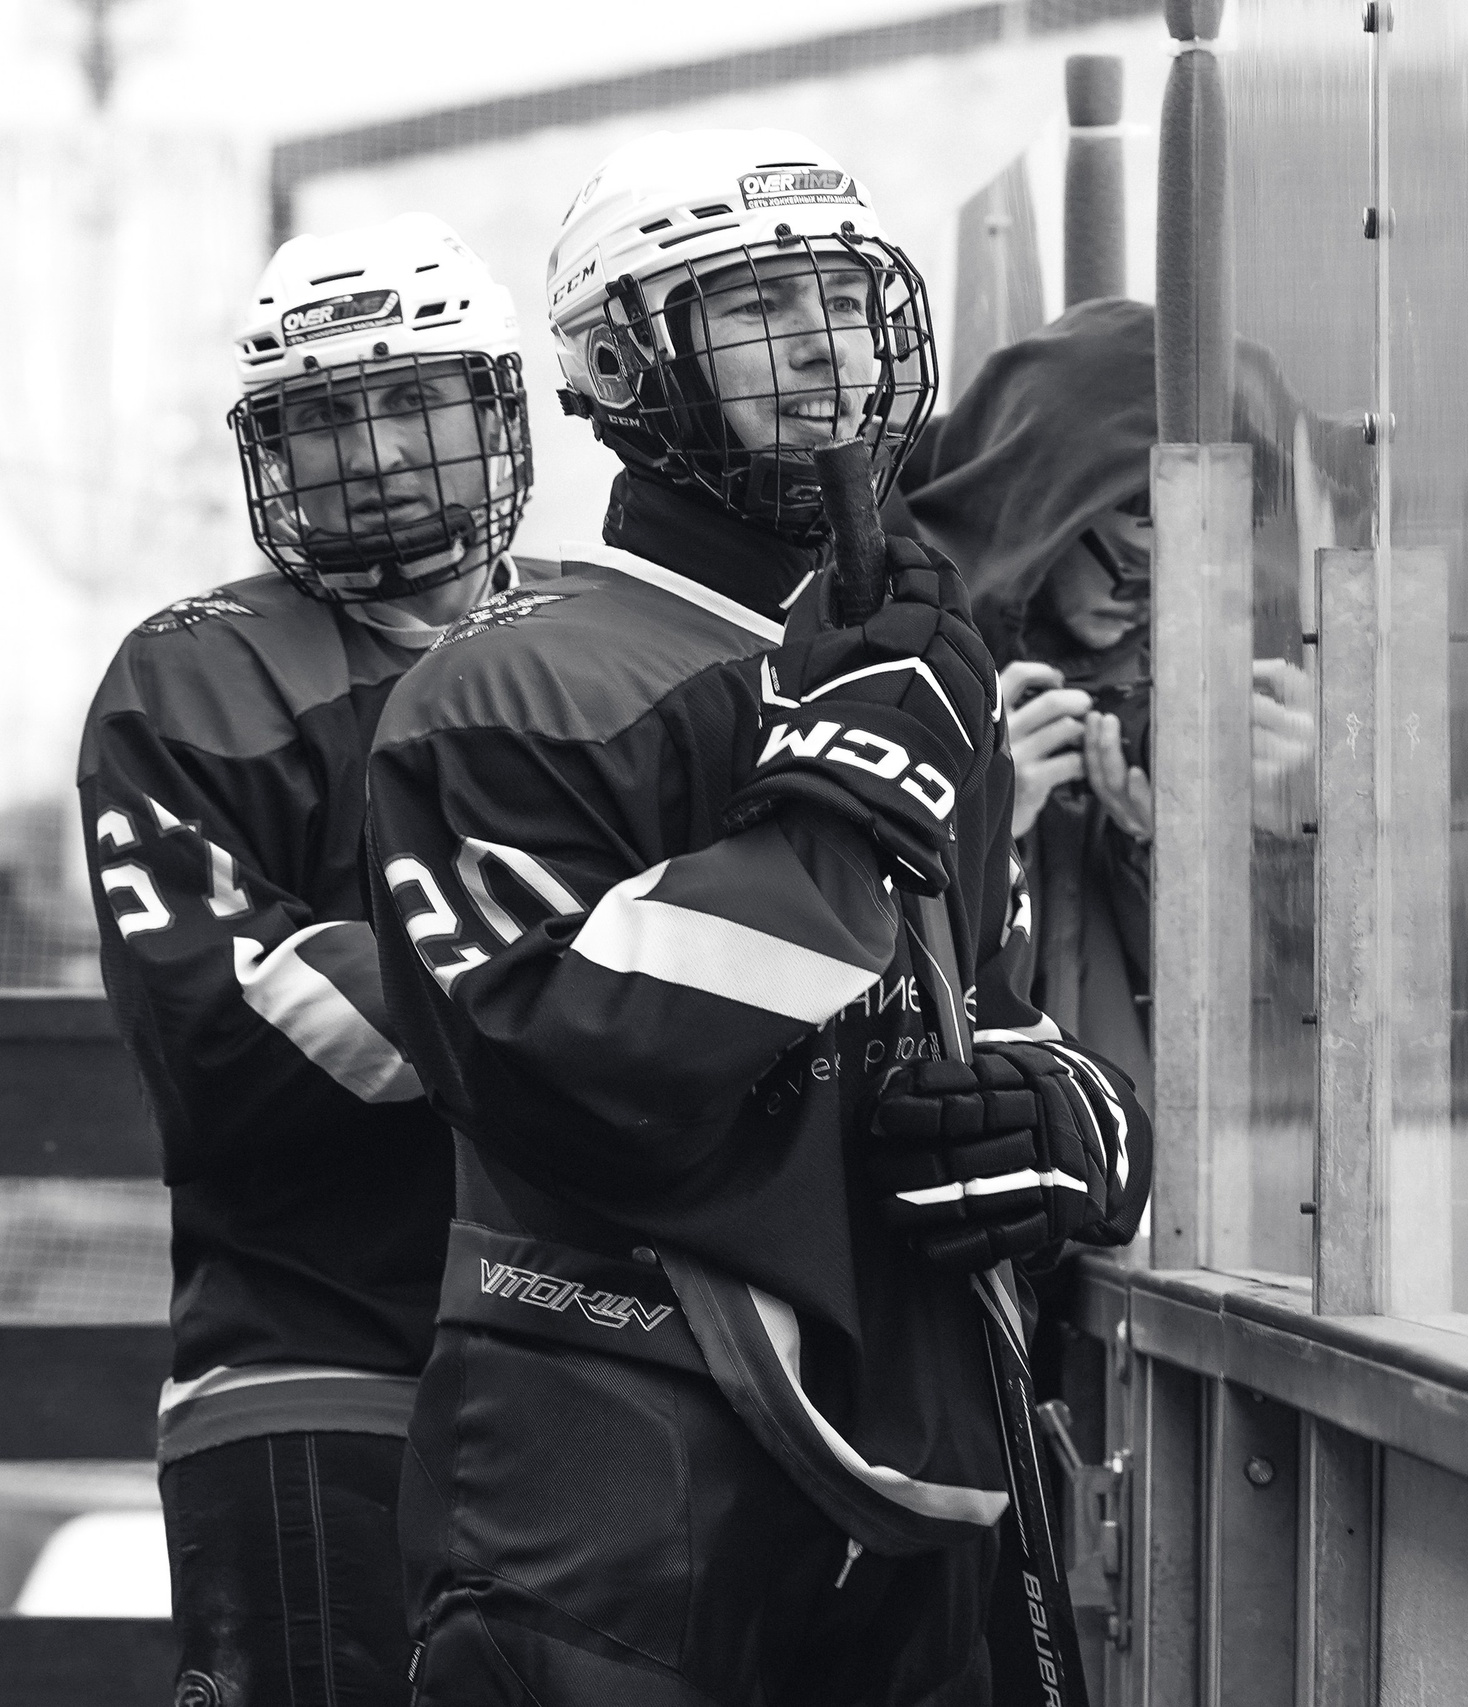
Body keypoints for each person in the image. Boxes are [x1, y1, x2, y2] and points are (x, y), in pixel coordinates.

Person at [368, 129, 1149, 1705]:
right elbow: (569, 1061)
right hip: (609, 1489)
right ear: (617, 362)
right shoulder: (507, 686)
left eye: (845, 303)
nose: (821, 348)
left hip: (914, 1498)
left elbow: (987, 1003)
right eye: (756, 308)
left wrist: (1073, 1125)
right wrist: (843, 801)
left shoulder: (915, 666)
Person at [78, 213, 535, 1706]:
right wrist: (606, 985)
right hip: (317, 1369)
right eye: (326, 418)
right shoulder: (194, 669)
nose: (376, 452)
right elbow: (232, 1037)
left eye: (413, 400)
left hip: (602, 1375)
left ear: (497, 407)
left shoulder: (613, 635)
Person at [891, 295, 1326, 1109]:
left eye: (1190, 570)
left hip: (1117, 1149)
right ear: (1042, 518)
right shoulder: (887, 650)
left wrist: (1283, 833)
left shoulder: (1204, 680)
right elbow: (849, 995)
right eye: (1129, 566)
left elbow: (1276, 1034)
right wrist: (979, 828)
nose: (1150, 602)